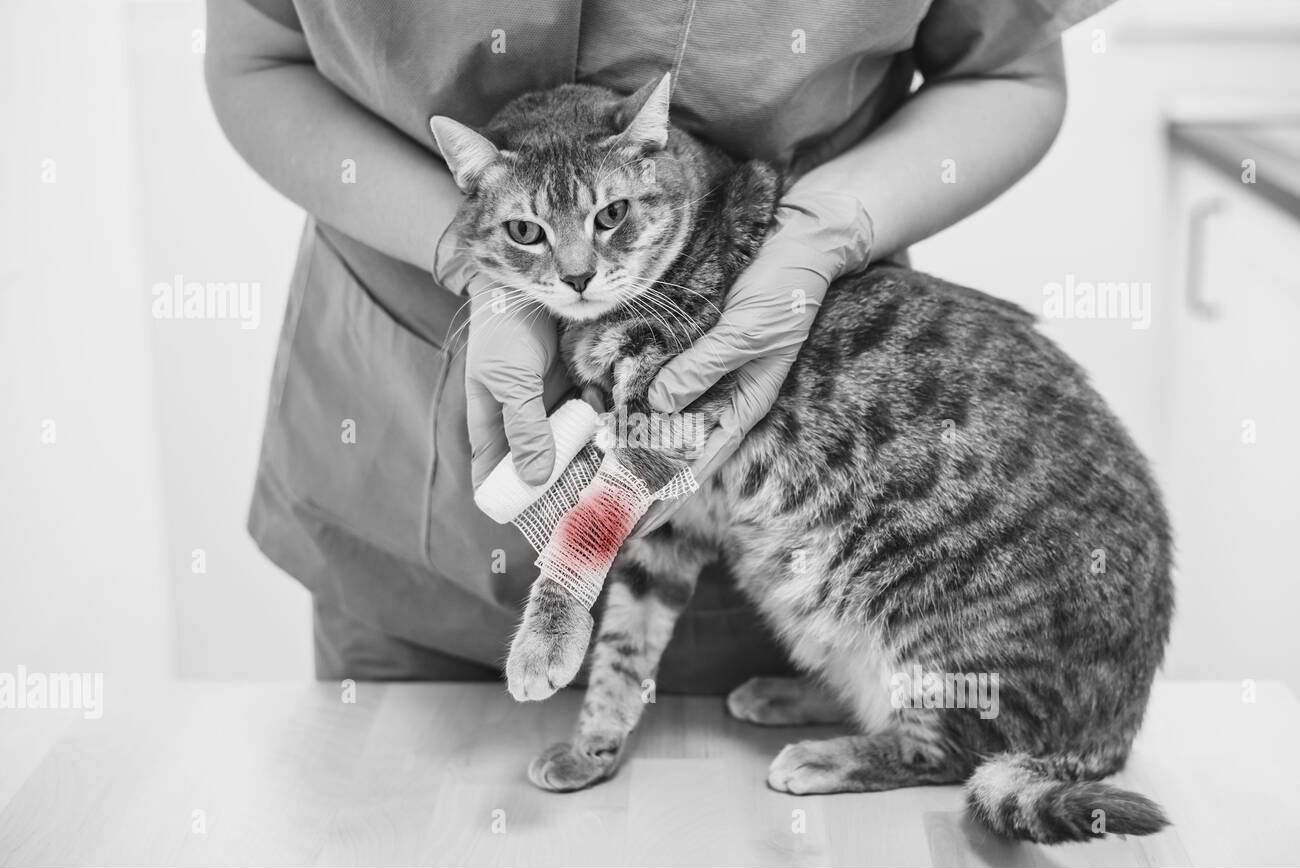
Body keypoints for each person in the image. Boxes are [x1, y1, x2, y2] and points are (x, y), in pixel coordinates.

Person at [205, 0, 1113, 688]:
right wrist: (469, 261)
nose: (574, 272)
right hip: (393, 480)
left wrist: (828, 227)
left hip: (773, 520)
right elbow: (259, 56)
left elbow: (1010, 72)